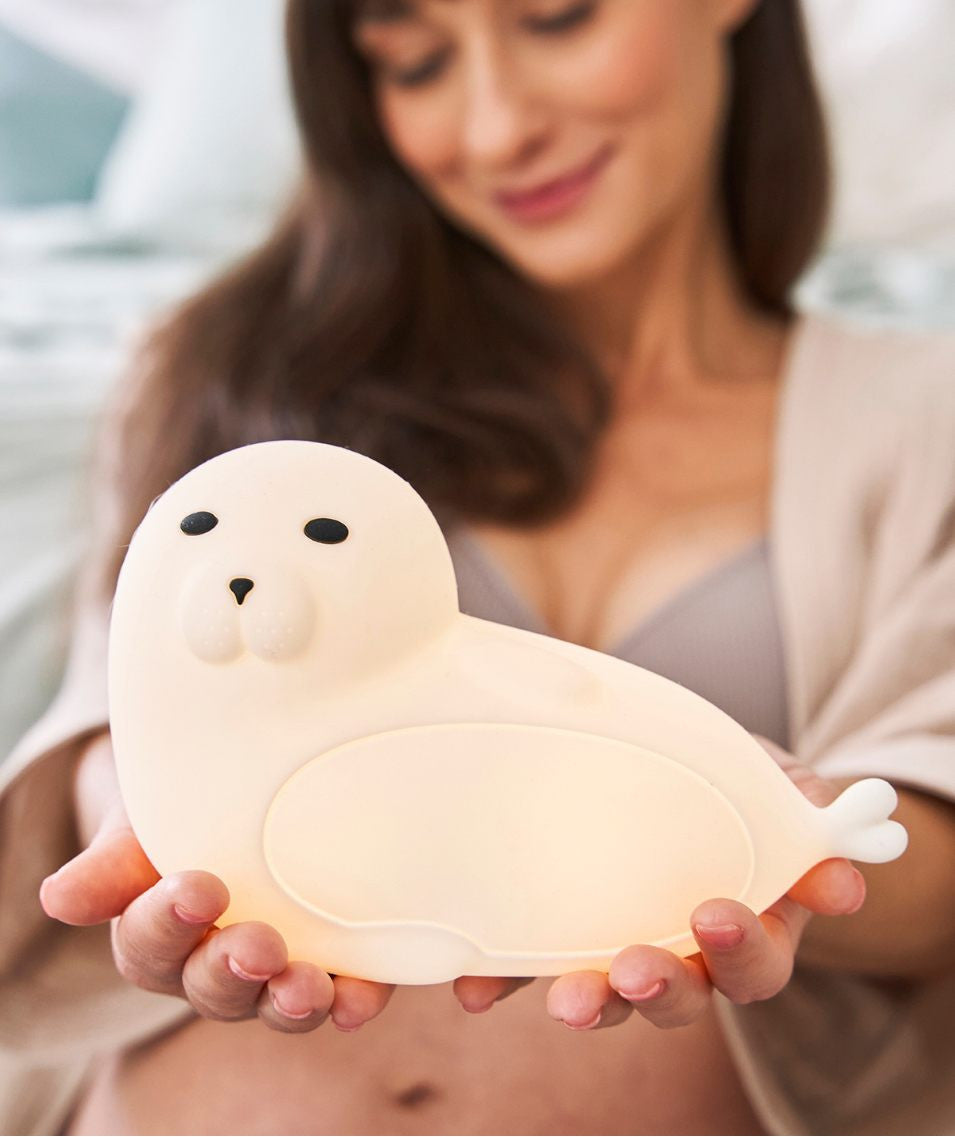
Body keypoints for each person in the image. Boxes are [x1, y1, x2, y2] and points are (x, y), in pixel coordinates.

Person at [2, 0, 955, 1133]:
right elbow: (118, 709)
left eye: (556, 20)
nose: (496, 131)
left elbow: (933, 832)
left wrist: (781, 846)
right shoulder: (233, 375)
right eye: (416, 65)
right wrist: (151, 825)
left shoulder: (923, 419)